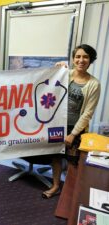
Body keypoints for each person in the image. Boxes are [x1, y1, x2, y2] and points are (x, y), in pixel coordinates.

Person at [42, 44, 101, 198]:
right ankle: (55, 186)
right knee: (56, 156)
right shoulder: (65, 74)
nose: (81, 60)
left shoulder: (94, 84)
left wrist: (73, 134)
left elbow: (88, 113)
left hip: (76, 129)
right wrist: (57, 67)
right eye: (78, 56)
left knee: (72, 162)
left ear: (90, 60)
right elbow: (45, 81)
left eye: (85, 57)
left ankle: (69, 194)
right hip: (58, 125)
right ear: (73, 59)